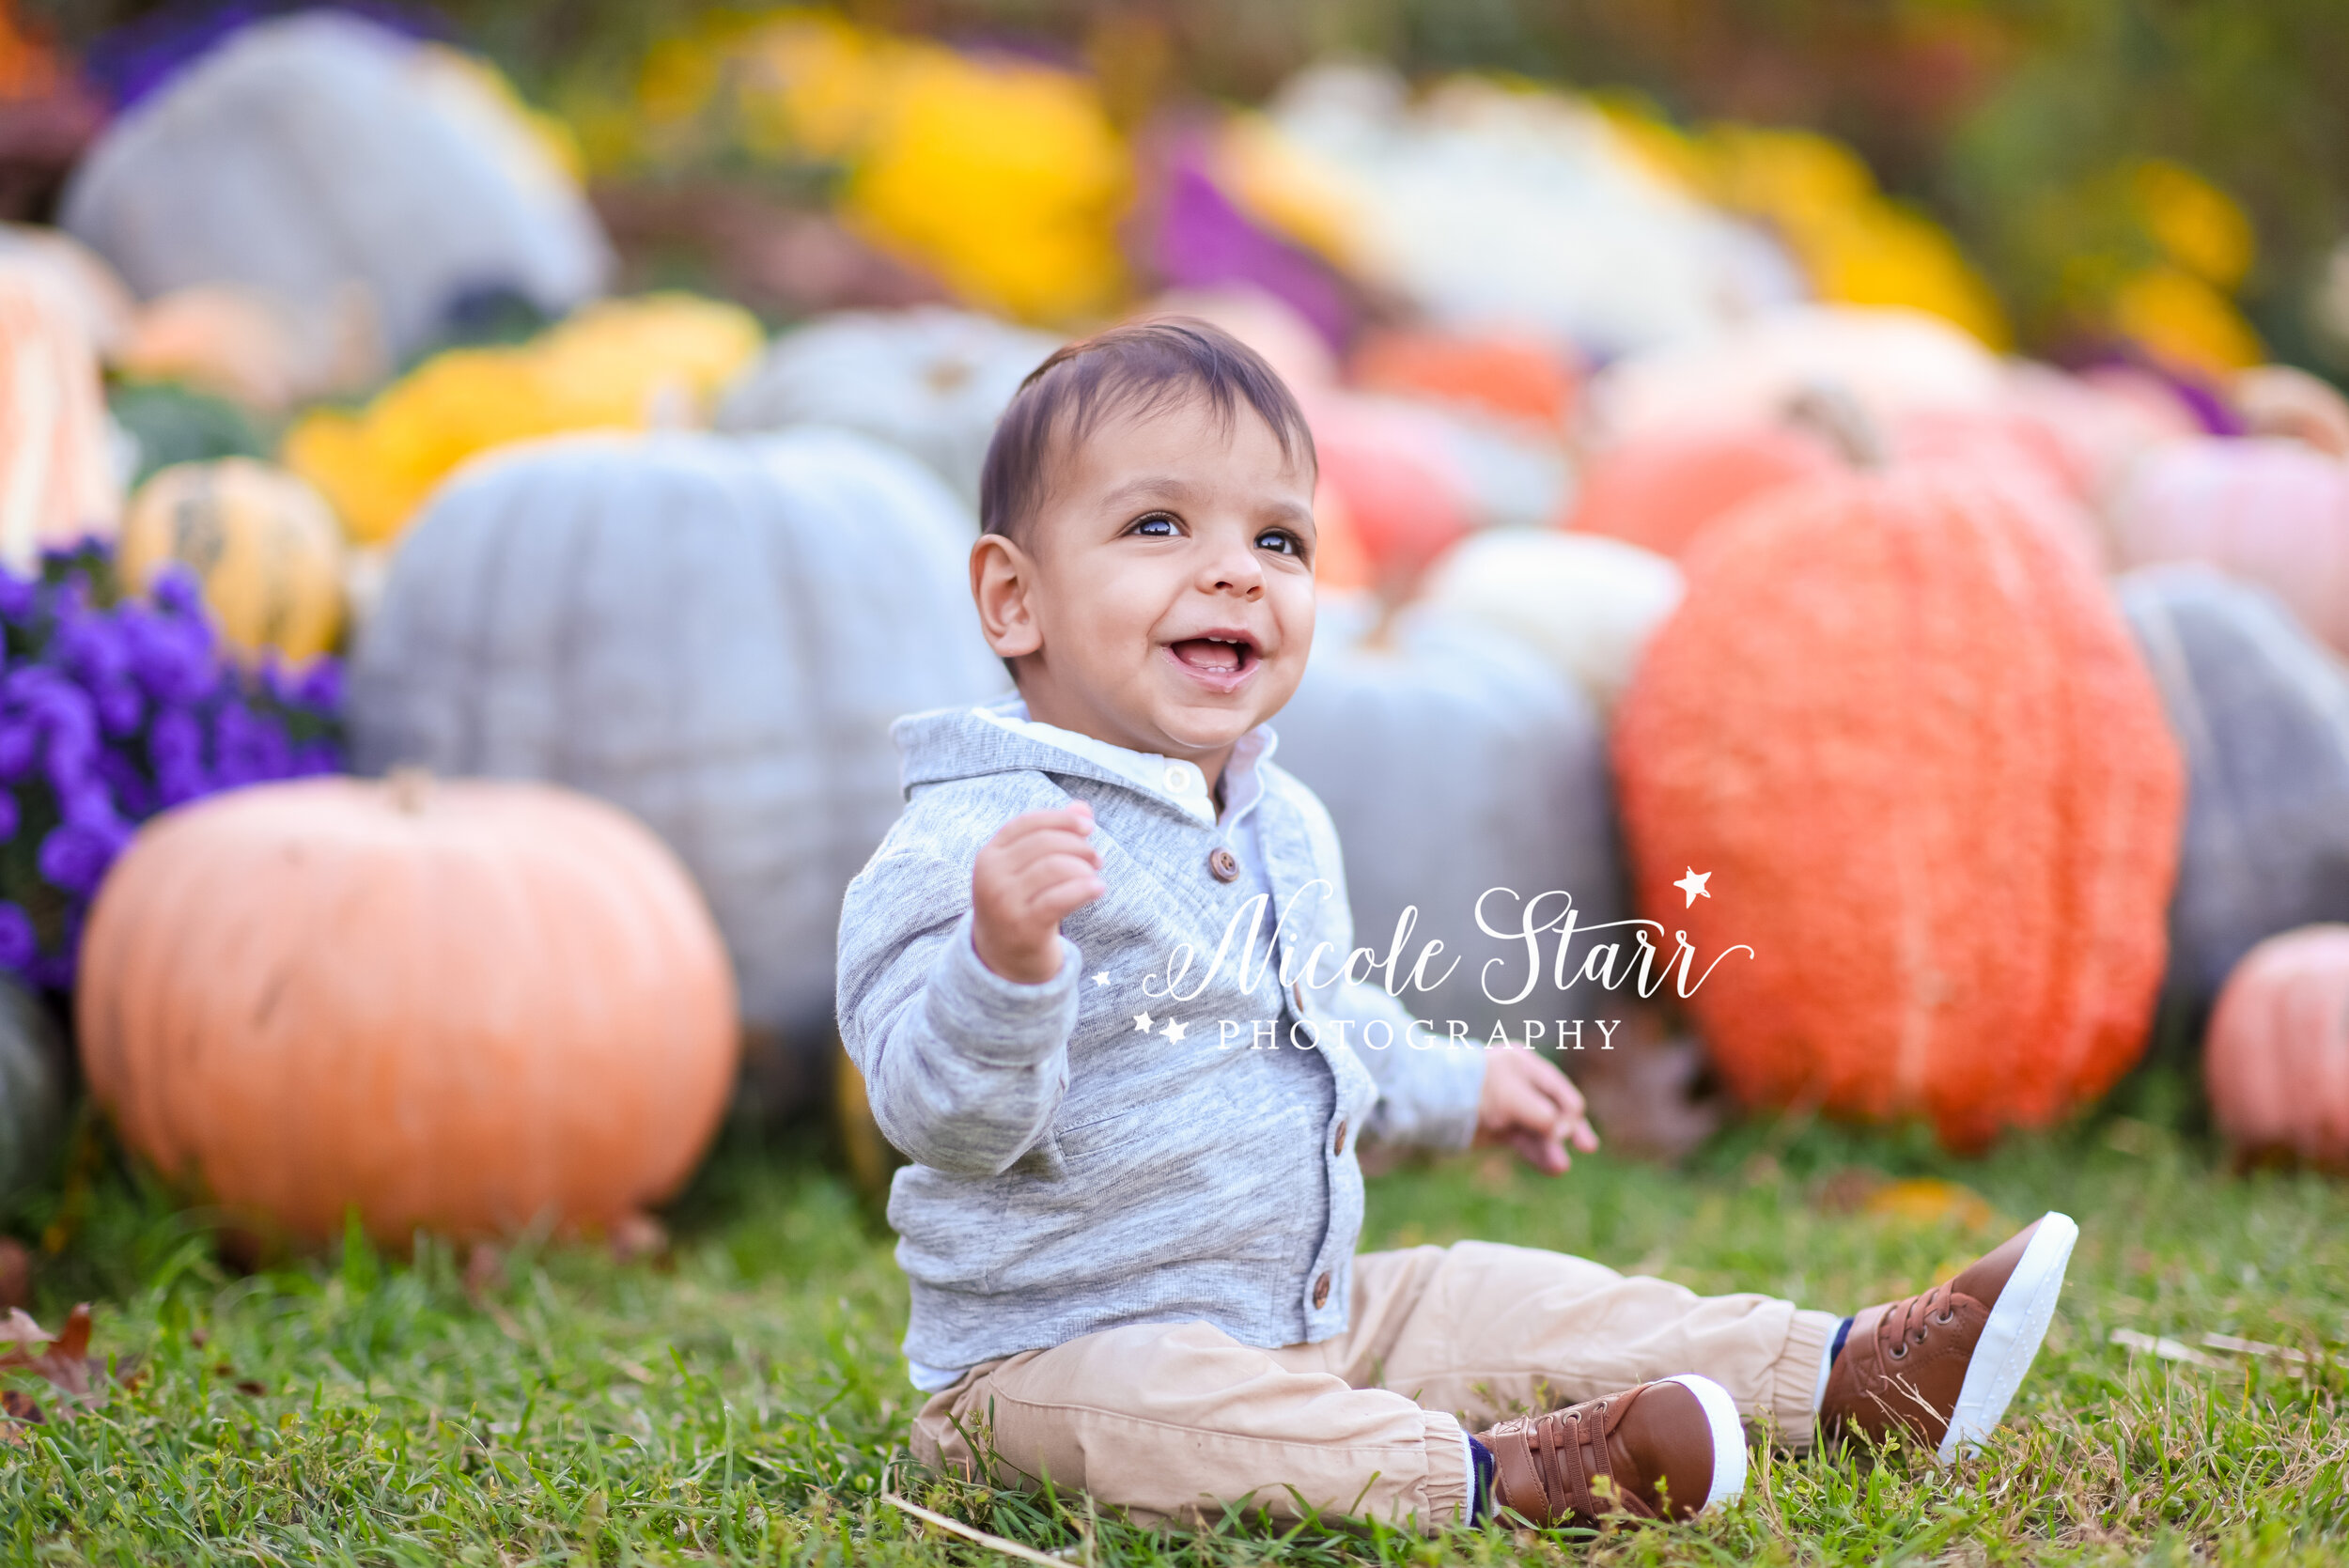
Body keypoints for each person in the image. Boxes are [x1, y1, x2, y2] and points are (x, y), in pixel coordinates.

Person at [835, 318, 2077, 1533]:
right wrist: (1004, 971)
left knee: (1508, 1295)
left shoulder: (1282, 823)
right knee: (1164, 1413)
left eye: (1280, 537)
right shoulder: (969, 846)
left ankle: (1846, 1372)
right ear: (1013, 598)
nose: (1235, 569)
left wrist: (1457, 1079)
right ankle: (1501, 1476)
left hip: (1311, 1318)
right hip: (1053, 1363)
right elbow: (937, 1120)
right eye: (1158, 525)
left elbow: (1324, 1027)